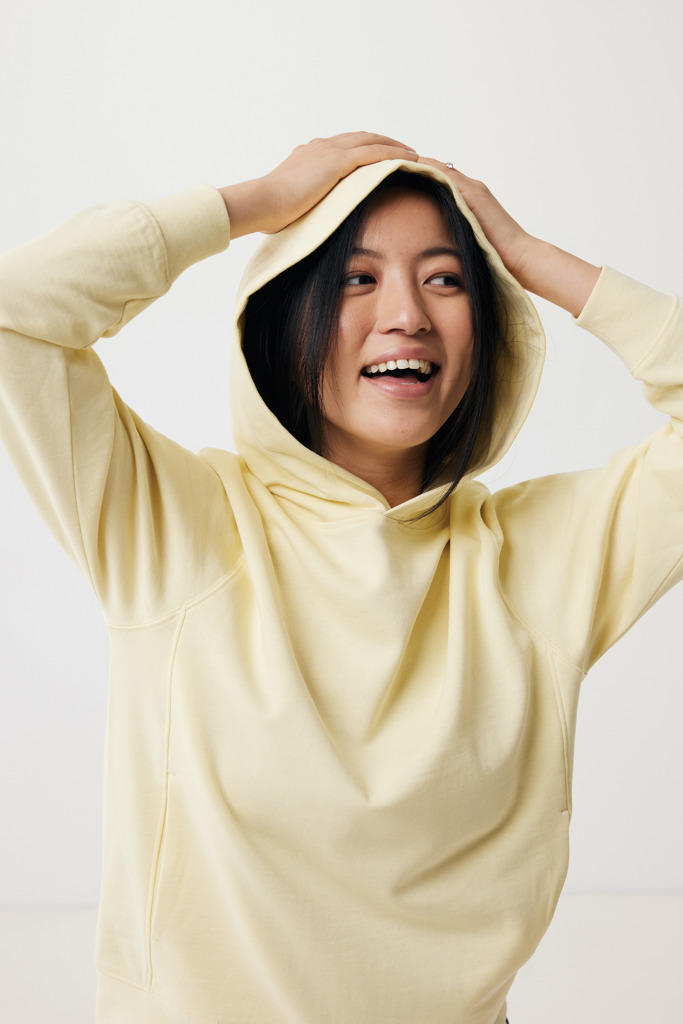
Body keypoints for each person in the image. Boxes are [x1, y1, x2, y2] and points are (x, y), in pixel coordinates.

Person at [0, 131, 681, 1024]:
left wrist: (525, 256)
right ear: (288, 315)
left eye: (445, 279)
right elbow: (16, 314)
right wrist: (249, 204)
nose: (406, 314)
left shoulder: (536, 561)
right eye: (357, 278)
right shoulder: (177, 527)